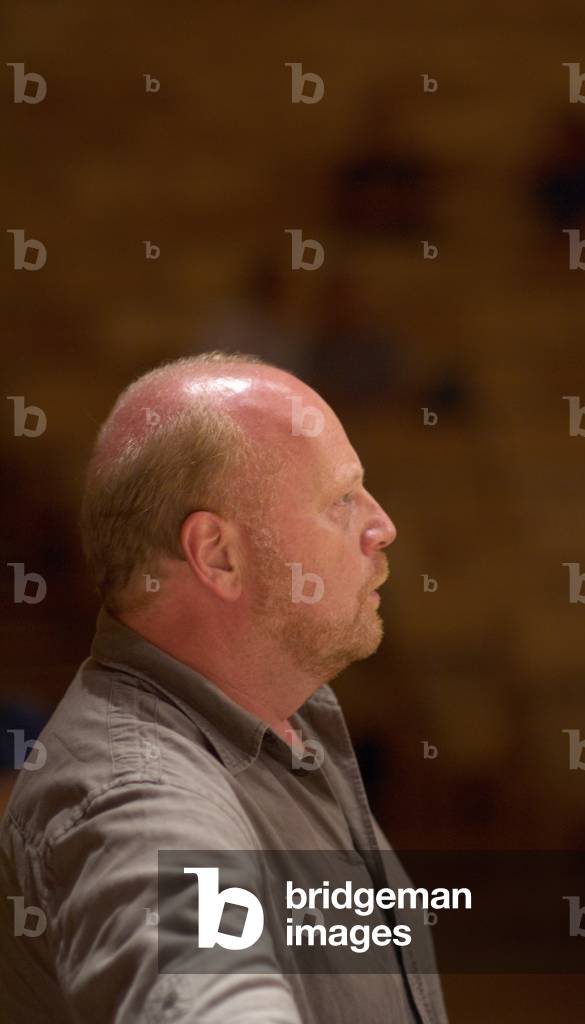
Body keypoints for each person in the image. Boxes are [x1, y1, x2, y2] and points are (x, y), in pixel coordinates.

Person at [0, 352, 449, 1023]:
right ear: (217, 555)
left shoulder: (279, 713)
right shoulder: (140, 797)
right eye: (342, 500)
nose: (382, 526)